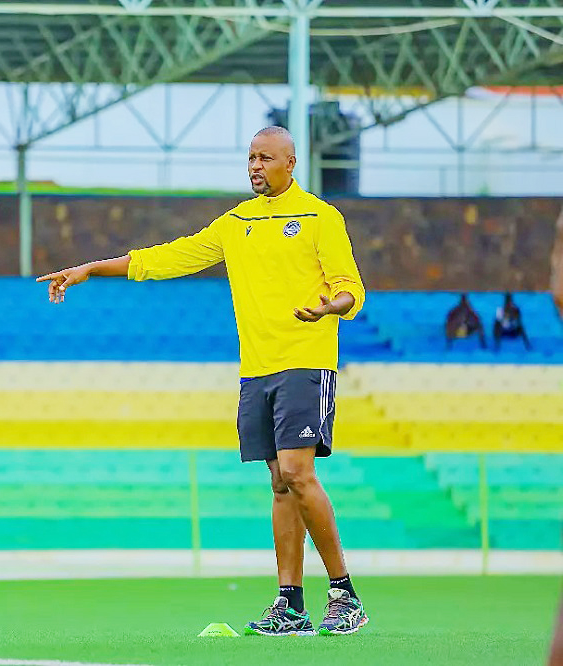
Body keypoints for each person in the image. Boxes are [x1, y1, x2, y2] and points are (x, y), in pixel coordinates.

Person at [38, 126, 368, 636]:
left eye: (265, 158)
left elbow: (349, 285)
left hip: (306, 359)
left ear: (291, 163)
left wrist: (333, 305)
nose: (256, 166)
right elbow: (168, 257)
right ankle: (291, 604)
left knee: (299, 474)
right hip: (256, 369)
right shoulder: (236, 222)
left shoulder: (321, 217)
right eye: (251, 158)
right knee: (280, 484)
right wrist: (91, 269)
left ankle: (345, 594)